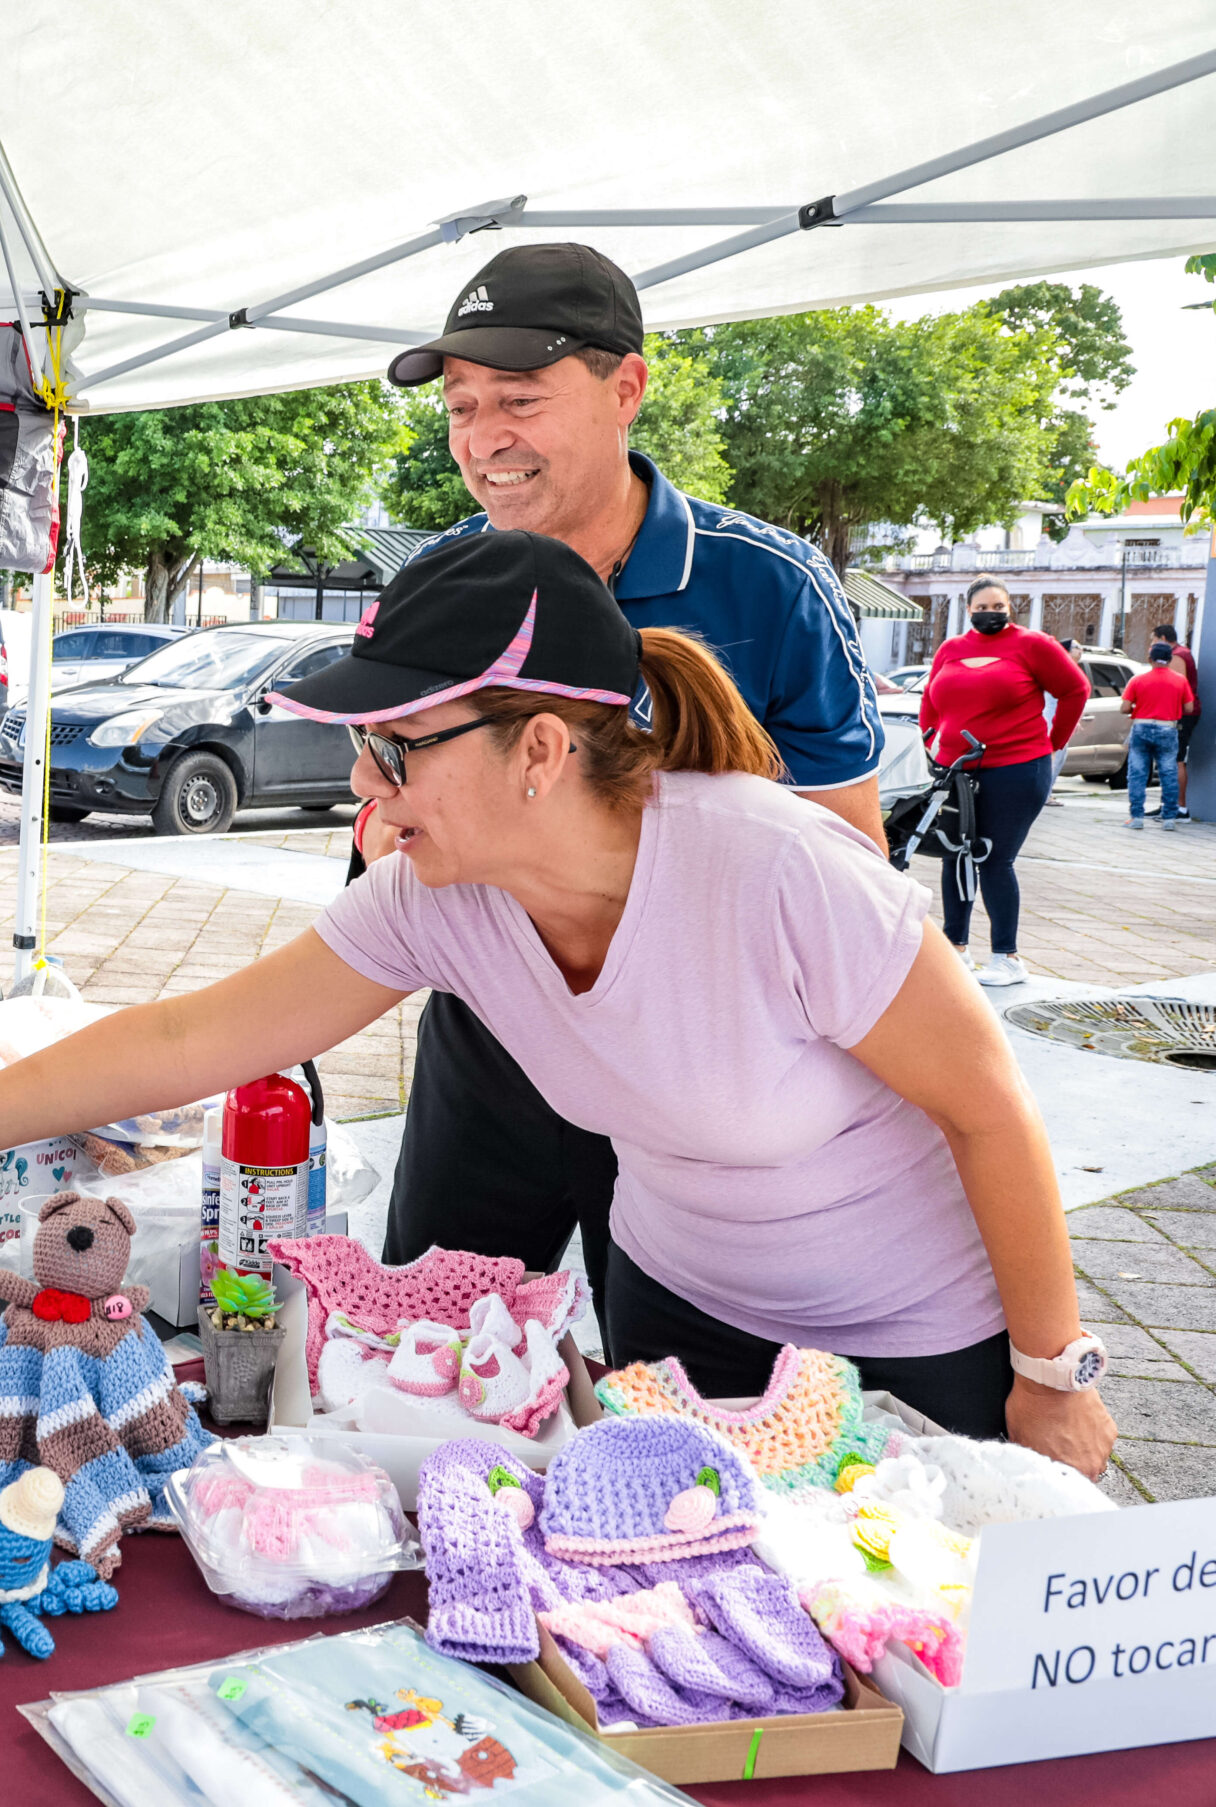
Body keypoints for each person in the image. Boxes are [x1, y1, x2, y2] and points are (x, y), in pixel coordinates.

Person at [0, 534, 1116, 1471]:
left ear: (541, 749)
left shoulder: (775, 870)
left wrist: (1052, 1375)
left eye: (395, 747)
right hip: (679, 1313)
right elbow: (183, 1037)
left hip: (915, 1342)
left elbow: (989, 1111)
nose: (368, 792)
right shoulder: (442, 894)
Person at [355, 243, 886, 1303]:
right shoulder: (437, 582)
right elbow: (381, 826)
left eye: (518, 398)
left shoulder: (767, 586)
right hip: (494, 1043)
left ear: (625, 389)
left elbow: (854, 862)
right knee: (431, 1349)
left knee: (669, 1402)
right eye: (460, 408)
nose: (483, 439)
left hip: (702, 1073)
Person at [915, 576, 1088, 984]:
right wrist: (927, 741)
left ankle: (1007, 957)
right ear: (968, 609)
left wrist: (1052, 743)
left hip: (1016, 769)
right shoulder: (952, 649)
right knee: (955, 854)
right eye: (982, 607)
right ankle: (956, 948)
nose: (990, 613)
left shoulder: (1033, 645)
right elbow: (930, 701)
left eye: (999, 607)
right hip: (954, 770)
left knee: (993, 858)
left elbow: (1075, 690)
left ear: (1010, 608)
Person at [1124, 642, 1196, 829]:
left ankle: (1137, 817)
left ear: (1150, 659)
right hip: (1168, 728)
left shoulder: (1138, 680)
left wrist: (1138, 706)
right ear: (1170, 660)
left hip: (1141, 727)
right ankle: (1170, 819)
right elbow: (1189, 707)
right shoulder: (1180, 680)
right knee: (1169, 772)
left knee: (1137, 773)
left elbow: (1124, 707)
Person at [1154, 622, 1200, 818]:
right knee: (1170, 760)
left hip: (1180, 715)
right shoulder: (1182, 653)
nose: (1152, 644)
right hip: (1177, 714)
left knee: (1175, 760)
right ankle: (1168, 804)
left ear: (1163, 639)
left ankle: (1179, 807)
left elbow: (1176, 688)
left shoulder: (1178, 655)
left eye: (1154, 639)